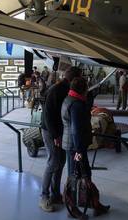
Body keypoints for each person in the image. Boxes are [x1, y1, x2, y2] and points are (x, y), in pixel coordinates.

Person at [61, 77, 110, 216]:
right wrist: (79, 151)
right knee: (75, 178)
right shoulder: (76, 105)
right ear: (83, 89)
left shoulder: (69, 99)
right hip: (75, 147)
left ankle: (94, 203)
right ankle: (73, 210)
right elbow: (76, 129)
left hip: (73, 144)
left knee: (84, 175)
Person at [39, 66, 82, 212]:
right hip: (51, 132)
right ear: (74, 79)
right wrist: (56, 135)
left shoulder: (66, 89)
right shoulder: (56, 90)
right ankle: (44, 196)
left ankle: (56, 194)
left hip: (60, 132)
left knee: (61, 162)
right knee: (53, 162)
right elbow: (48, 115)